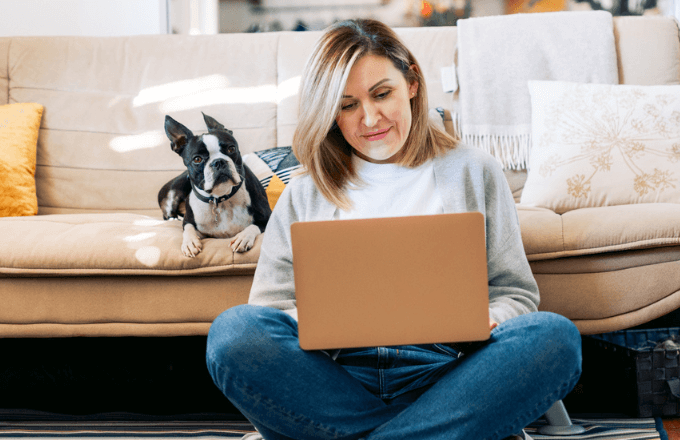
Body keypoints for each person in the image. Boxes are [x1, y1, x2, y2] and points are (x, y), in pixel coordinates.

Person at [205, 18, 581, 440]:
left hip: (449, 373)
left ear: (413, 84)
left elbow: (515, 293)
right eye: (347, 105)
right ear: (330, 114)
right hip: (336, 378)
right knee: (233, 334)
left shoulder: (474, 171)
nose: (369, 118)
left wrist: (491, 319)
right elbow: (268, 312)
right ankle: (433, 433)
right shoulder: (307, 192)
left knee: (555, 339)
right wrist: (318, 320)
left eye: (382, 94)